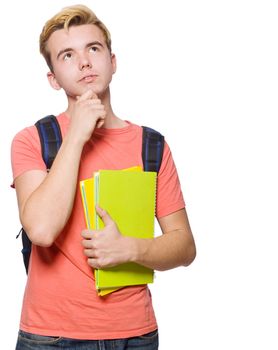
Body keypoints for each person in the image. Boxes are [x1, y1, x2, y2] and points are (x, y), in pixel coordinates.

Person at [11, 5, 197, 349]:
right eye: (67, 55)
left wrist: (131, 248)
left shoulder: (151, 145)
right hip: (51, 337)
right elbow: (41, 230)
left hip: (135, 334)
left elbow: (185, 246)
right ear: (53, 78)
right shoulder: (33, 139)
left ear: (112, 61)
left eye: (93, 49)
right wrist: (77, 136)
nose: (84, 62)